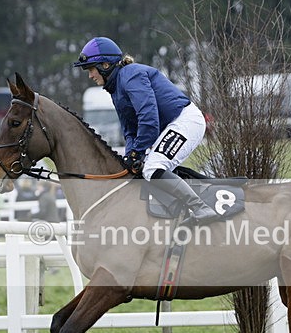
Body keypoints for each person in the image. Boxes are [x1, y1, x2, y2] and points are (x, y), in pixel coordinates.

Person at [73, 36, 219, 226]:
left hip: (185, 120)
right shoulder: (116, 89)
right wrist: (130, 157)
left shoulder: (130, 75)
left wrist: (138, 152)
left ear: (106, 65)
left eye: (91, 69)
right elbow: (130, 131)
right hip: (171, 125)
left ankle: (201, 208)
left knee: (153, 167)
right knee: (145, 169)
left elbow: (148, 117)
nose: (90, 75)